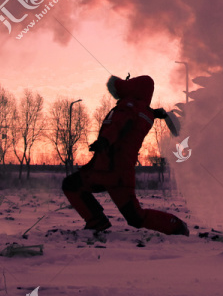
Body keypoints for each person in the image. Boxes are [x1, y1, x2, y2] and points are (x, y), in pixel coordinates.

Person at [62, 74, 189, 235]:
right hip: (116, 171)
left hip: (109, 170)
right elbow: (133, 121)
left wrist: (105, 140)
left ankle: (97, 221)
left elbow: (119, 125)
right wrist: (157, 113)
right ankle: (175, 226)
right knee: (135, 217)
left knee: (72, 185)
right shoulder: (145, 112)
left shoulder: (128, 106)